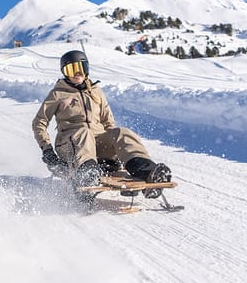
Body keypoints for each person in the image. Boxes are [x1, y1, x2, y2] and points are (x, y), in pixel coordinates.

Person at [32, 49, 171, 196]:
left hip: (96, 143)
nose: (77, 74)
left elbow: (108, 122)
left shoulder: (96, 91)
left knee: (121, 132)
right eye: (71, 69)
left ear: (86, 69)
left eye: (80, 68)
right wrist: (47, 150)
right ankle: (87, 174)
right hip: (70, 145)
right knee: (84, 133)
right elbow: (39, 122)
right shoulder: (57, 94)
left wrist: (114, 150)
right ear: (65, 73)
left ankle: (145, 171)